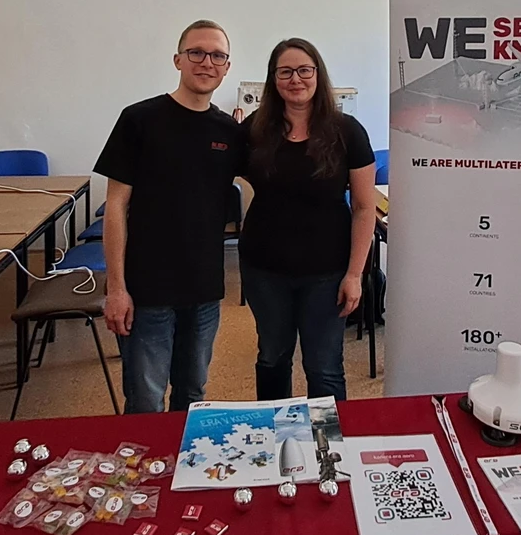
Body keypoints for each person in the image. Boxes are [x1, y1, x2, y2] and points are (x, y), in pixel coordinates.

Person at [94, 20, 245, 413]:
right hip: (147, 290)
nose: (207, 62)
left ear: (227, 67)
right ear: (178, 59)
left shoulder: (229, 132)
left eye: (217, 55)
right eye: (197, 52)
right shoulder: (139, 120)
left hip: (204, 289)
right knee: (145, 401)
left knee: (193, 395)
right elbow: (115, 206)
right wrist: (116, 288)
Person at [240, 38, 377, 401]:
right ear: (273, 79)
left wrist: (354, 275)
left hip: (327, 273)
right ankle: (273, 432)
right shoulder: (254, 129)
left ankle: (327, 437)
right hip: (264, 270)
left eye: (304, 70)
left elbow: (364, 207)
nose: (295, 79)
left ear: (318, 74)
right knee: (272, 358)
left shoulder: (348, 131)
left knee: (323, 367)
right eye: (285, 71)